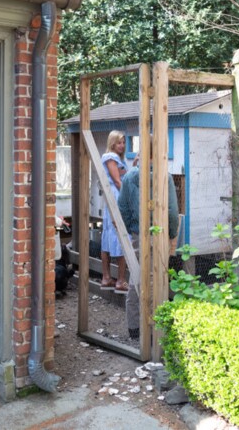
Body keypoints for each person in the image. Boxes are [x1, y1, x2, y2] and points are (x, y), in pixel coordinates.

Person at [118, 142, 179, 339]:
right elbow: (171, 211)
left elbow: (123, 210)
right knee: (158, 280)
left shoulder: (129, 178)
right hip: (159, 235)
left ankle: (134, 328)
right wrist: (171, 234)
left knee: (136, 278)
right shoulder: (165, 177)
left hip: (138, 235)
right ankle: (155, 328)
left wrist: (133, 229)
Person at [100, 130, 132, 293]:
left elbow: (124, 175)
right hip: (117, 198)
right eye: (119, 142)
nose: (122, 145)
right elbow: (119, 182)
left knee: (109, 235)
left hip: (112, 199)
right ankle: (120, 280)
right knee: (122, 235)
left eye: (124, 142)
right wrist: (129, 199)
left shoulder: (116, 159)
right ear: (112, 143)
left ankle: (106, 277)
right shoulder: (110, 158)